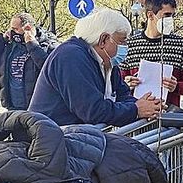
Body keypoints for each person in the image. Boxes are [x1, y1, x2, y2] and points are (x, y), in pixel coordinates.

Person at [29, 8, 163, 126]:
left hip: (72, 138)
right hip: (50, 140)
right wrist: (136, 110)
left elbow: (122, 95)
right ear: (103, 40)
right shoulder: (71, 57)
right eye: (122, 41)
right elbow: (92, 111)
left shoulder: (108, 62)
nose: (126, 46)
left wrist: (148, 106)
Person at [120, 0, 183, 107]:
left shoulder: (181, 44)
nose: (170, 20)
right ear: (150, 15)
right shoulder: (130, 44)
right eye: (166, 15)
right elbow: (118, 80)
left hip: (169, 115)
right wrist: (126, 83)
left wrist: (176, 86)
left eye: (172, 15)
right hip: (137, 114)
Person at [0, 12, 57, 111]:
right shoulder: (10, 45)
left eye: (15, 29)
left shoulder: (47, 44)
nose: (11, 31)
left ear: (28, 27)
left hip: (38, 106)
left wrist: (32, 45)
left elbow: (49, 69)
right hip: (13, 105)